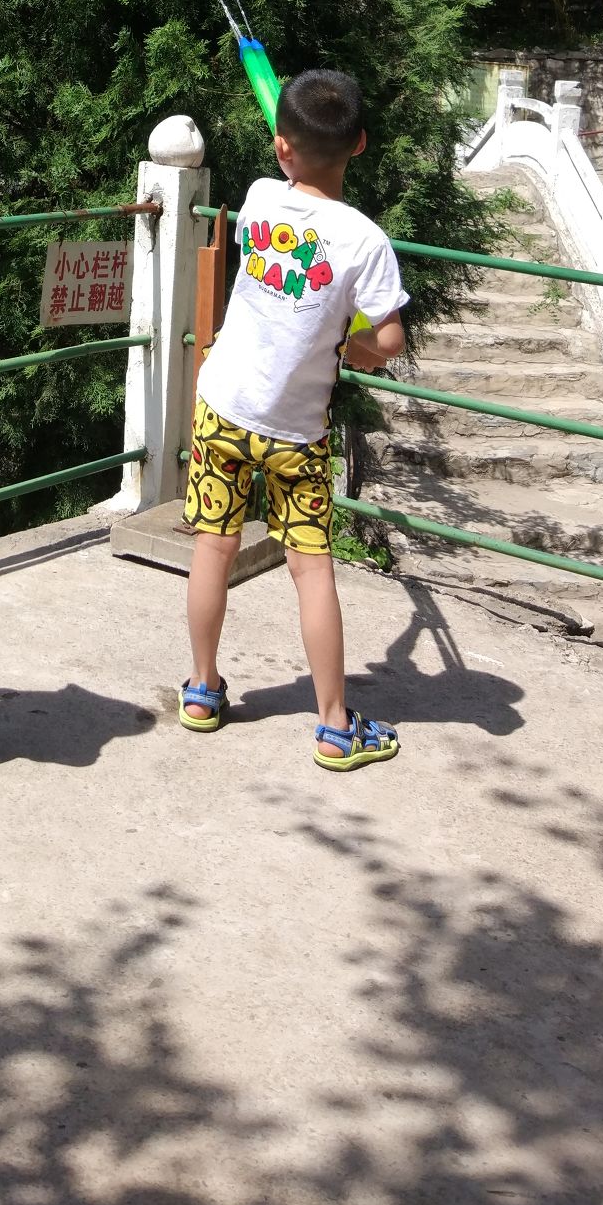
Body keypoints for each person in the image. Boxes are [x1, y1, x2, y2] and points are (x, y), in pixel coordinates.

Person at [179, 68, 407, 769]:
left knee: (213, 548)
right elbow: (389, 342)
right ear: (360, 143)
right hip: (294, 431)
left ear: (282, 148)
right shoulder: (365, 241)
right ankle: (335, 726)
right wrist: (349, 338)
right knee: (312, 573)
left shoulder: (256, 199)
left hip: (222, 408)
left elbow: (278, 215)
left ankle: (201, 688)